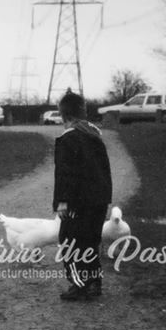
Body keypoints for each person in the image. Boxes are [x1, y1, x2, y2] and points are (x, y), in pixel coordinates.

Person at [52, 91, 112, 301]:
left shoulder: (67, 139)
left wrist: (62, 201)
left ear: (63, 116)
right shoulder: (94, 135)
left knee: (69, 242)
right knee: (89, 241)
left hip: (78, 201)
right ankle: (94, 281)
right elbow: (104, 170)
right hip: (99, 200)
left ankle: (79, 284)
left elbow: (65, 174)